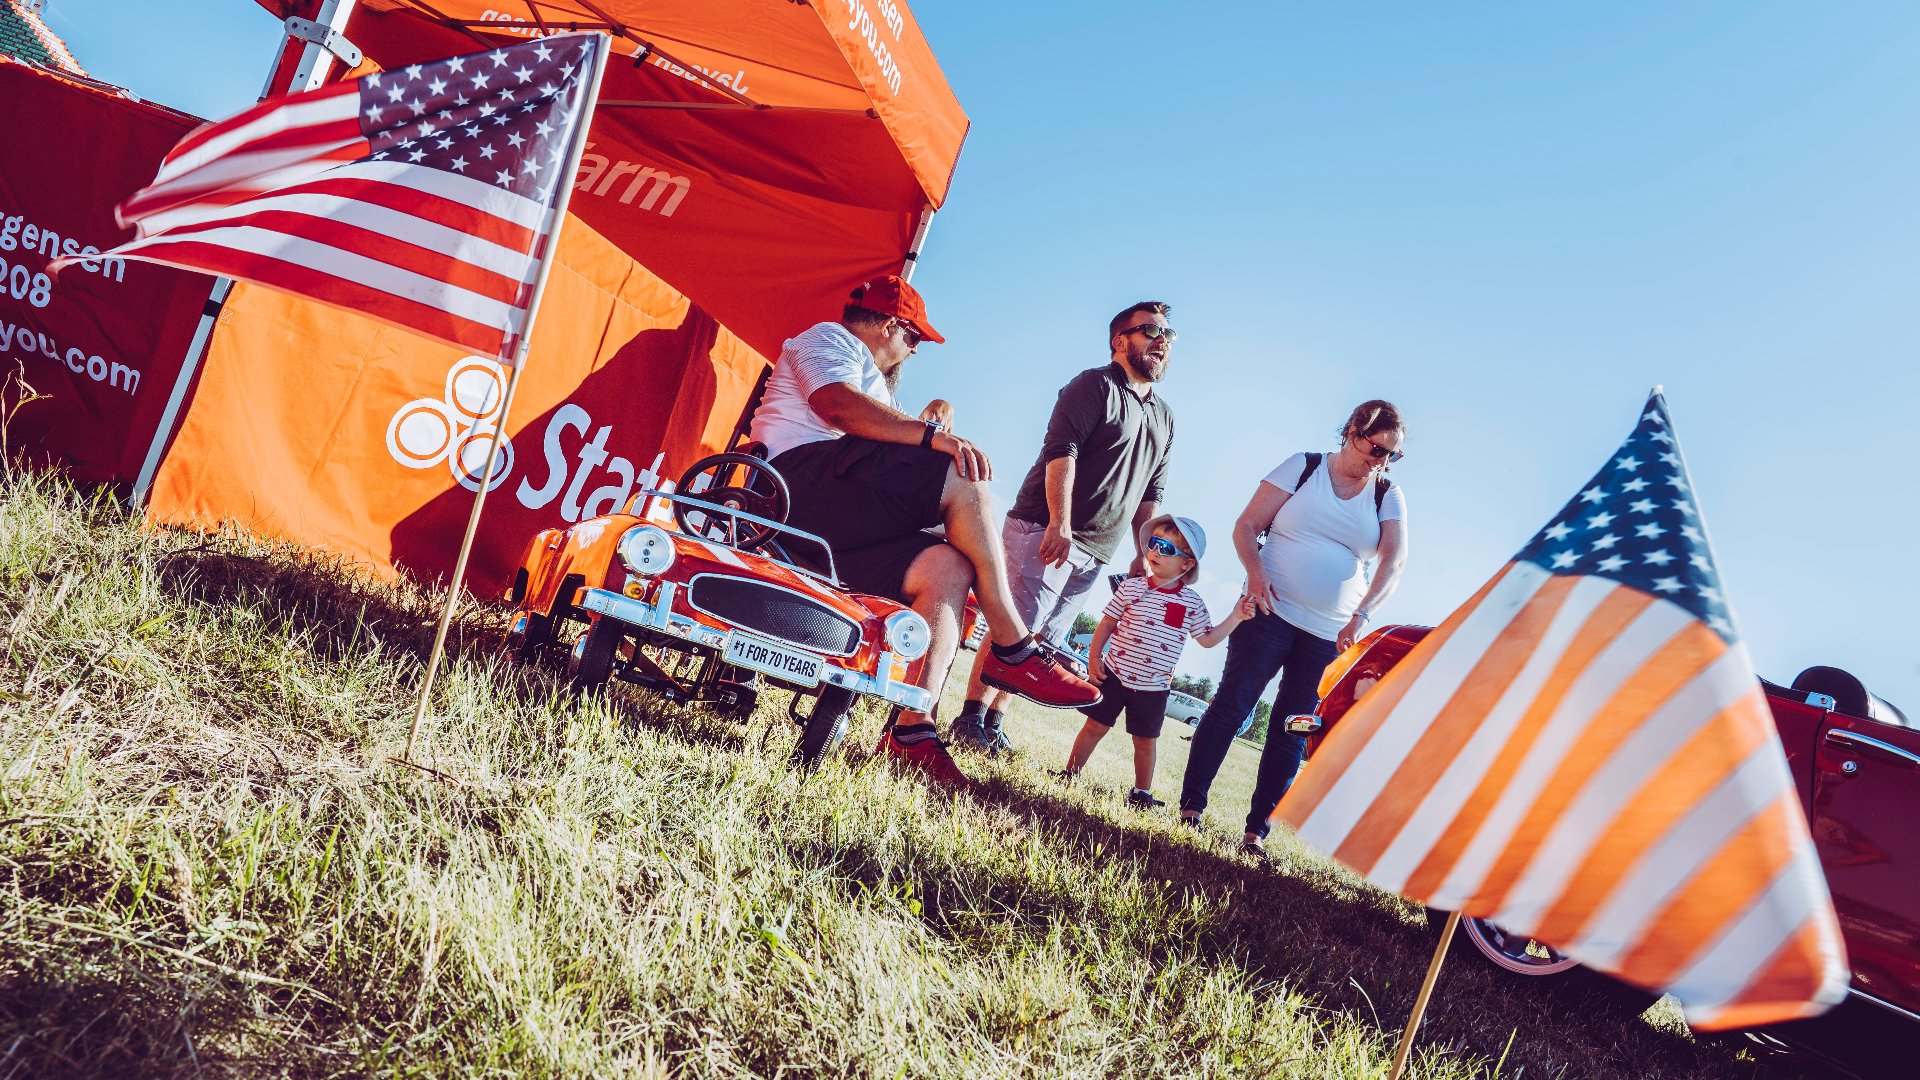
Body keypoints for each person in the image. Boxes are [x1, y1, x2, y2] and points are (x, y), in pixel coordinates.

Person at [745, 275, 1100, 785]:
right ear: (893, 325)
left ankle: (912, 728)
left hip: (837, 512)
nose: (914, 350)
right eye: (914, 339)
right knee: (961, 468)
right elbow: (836, 407)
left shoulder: (869, 377)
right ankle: (1012, 646)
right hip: (791, 490)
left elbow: (875, 435)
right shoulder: (828, 339)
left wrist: (930, 428)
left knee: (947, 567)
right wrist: (933, 438)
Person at [1177, 400, 1410, 859]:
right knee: (1231, 705)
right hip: (1266, 612)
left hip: (1329, 635)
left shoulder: (1387, 494)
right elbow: (1247, 525)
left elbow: (1393, 563)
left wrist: (1361, 616)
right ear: (1351, 432)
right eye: (1376, 448)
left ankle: (1255, 834)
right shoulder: (1303, 468)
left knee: (1291, 727)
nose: (1380, 461)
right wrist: (1256, 575)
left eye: (1391, 455)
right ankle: (1191, 810)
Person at [949, 301, 1177, 754]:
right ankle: (969, 717)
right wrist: (1060, 521)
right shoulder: (1094, 384)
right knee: (1013, 626)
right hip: (1046, 527)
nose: (1161, 342)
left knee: (1043, 641)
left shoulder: (1165, 416)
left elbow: (1151, 495)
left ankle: (995, 721)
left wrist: (1145, 552)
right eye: (1150, 331)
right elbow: (1062, 452)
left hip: (1096, 548)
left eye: (1168, 336)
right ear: (1120, 340)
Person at [1056, 515, 1253, 808]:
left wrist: (1236, 616)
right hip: (1114, 674)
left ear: (1186, 564)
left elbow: (1208, 639)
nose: (1156, 552)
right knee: (1094, 726)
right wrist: (1095, 657)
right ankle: (1070, 773)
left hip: (1153, 688)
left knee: (1145, 741)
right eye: (1154, 544)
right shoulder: (1131, 587)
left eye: (1167, 549)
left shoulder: (1191, 603)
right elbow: (1107, 624)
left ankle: (1141, 794)